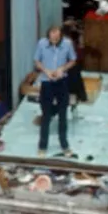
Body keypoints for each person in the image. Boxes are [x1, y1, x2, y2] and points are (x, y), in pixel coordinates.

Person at [34, 25, 77, 157]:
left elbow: (73, 60)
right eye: (52, 39)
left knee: (63, 114)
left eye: (57, 38)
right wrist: (46, 71)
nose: (54, 41)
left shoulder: (67, 44)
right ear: (48, 36)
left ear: (60, 37)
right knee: (46, 115)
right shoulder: (41, 44)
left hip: (61, 82)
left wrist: (62, 69)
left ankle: (64, 145)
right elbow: (37, 61)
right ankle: (42, 146)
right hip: (47, 82)